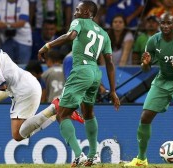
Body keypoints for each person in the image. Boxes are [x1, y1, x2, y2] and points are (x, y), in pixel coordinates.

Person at [0, 25, 84, 142]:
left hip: (23, 91)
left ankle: (54, 108)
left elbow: (4, 89)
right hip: (29, 83)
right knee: (22, 132)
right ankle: (56, 111)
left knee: (17, 134)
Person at [38, 1, 120, 167]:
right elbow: (110, 63)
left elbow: (70, 36)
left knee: (62, 114)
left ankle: (78, 155)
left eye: (78, 9)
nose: (75, 12)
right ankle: (93, 154)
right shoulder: (104, 33)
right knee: (88, 113)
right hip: (95, 73)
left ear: (87, 12)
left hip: (81, 70)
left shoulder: (79, 22)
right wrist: (113, 90)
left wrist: (47, 45)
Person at [124, 13, 173, 167]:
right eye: (163, 23)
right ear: (159, 24)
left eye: (169, 23)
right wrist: (145, 64)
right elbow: (146, 69)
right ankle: (141, 159)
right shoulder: (153, 40)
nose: (165, 26)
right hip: (162, 81)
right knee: (145, 117)